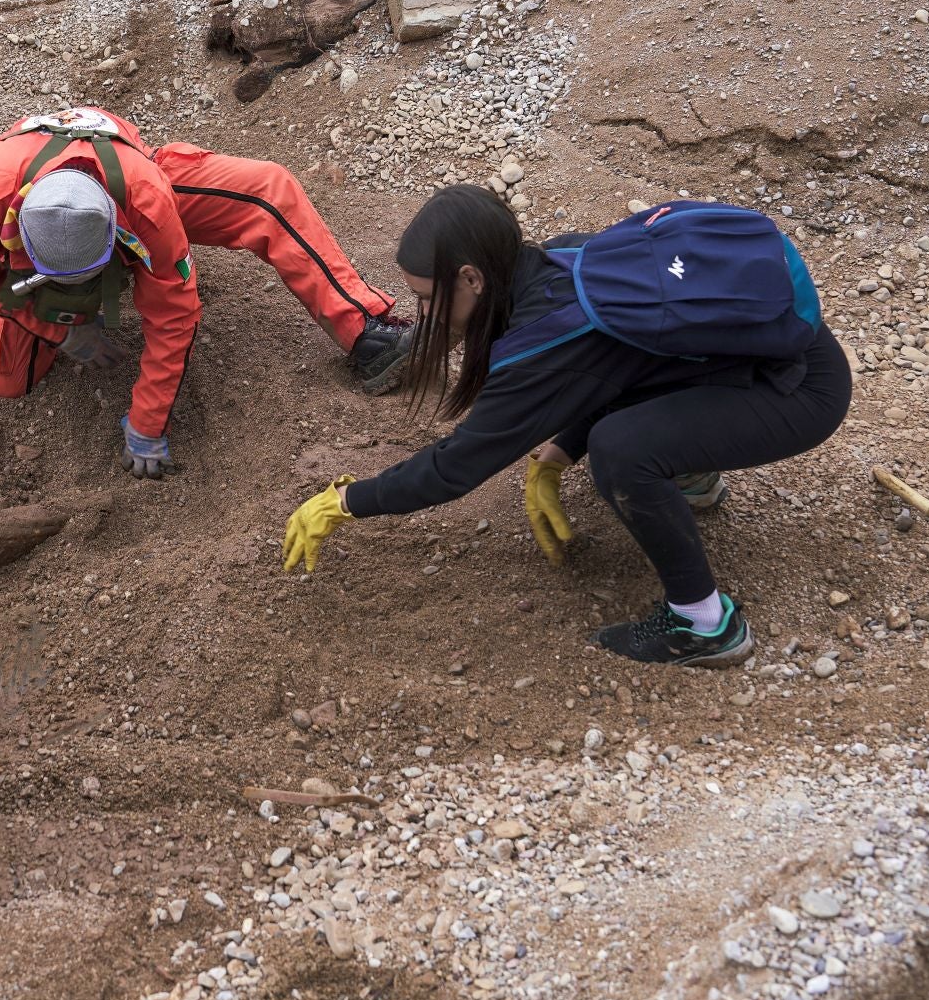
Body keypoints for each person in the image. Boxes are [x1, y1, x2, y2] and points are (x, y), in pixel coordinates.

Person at [282, 186, 851, 668]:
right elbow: (614, 365)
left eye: (426, 298)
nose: (423, 315)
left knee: (620, 451)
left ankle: (703, 625)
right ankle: (692, 475)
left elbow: (455, 468)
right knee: (608, 433)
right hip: (776, 353)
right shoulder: (554, 260)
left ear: (472, 279)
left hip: (797, 391)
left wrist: (346, 500)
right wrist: (558, 451)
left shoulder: (542, 342)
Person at [0, 106, 415, 479]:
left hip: (129, 178)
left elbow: (173, 315)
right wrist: (57, 330)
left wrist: (147, 423)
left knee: (268, 191)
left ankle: (363, 329)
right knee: (3, 380)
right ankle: (43, 304)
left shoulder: (148, 202)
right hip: (29, 223)